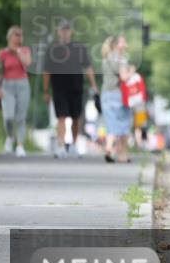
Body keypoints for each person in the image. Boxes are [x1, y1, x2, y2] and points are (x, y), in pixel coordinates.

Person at [42, 19, 98, 158]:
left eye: (67, 29)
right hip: (59, 88)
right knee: (61, 117)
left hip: (76, 87)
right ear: (58, 31)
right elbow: (46, 71)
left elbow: (88, 67)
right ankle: (61, 146)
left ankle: (72, 145)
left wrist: (94, 85)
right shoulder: (52, 49)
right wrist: (46, 91)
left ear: (71, 31)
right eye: (62, 29)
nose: (65, 32)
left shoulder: (79, 47)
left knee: (76, 117)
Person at [0, 26, 32, 156]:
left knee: (21, 117)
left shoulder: (25, 50)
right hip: (7, 85)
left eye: (20, 35)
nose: (19, 37)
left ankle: (20, 145)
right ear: (10, 37)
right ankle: (10, 136)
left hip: (22, 84)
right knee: (8, 117)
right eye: (16, 35)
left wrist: (17, 52)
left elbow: (27, 64)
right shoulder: (3, 53)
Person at [99, 35, 133, 163]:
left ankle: (109, 147)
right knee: (124, 123)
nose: (125, 44)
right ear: (116, 45)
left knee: (111, 124)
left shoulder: (106, 58)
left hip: (106, 94)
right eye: (123, 42)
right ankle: (122, 154)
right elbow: (124, 77)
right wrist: (132, 72)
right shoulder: (121, 59)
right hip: (118, 94)